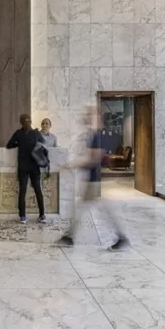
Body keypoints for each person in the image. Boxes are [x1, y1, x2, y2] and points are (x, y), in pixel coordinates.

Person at [58, 106, 129, 251]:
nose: (86, 116)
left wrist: (72, 165)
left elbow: (93, 160)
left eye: (90, 114)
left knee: (99, 209)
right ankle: (69, 236)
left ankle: (120, 237)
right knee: (86, 208)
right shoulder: (93, 135)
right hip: (92, 179)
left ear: (98, 117)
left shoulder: (97, 136)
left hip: (93, 181)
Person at [6, 114, 47, 224]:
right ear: (31, 121)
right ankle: (42, 215)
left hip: (23, 167)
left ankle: (23, 216)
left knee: (22, 191)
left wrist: (18, 144)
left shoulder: (18, 133)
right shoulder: (36, 133)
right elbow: (43, 142)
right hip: (34, 166)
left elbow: (8, 145)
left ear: (21, 122)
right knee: (38, 190)